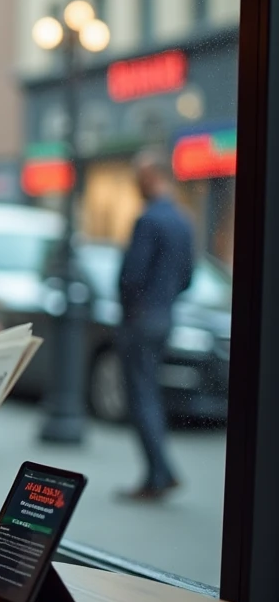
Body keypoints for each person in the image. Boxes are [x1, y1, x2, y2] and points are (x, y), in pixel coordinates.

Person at [117, 149, 194, 501]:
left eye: (139, 178)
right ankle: (162, 472)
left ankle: (157, 476)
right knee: (149, 393)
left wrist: (132, 307)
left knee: (142, 396)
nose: (137, 185)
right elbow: (187, 277)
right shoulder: (183, 220)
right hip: (164, 316)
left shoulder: (148, 220)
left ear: (151, 177)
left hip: (141, 319)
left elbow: (132, 276)